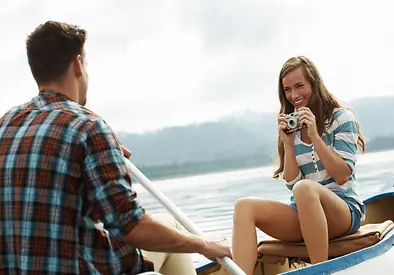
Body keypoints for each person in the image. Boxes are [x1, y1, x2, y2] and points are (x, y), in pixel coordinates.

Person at [0, 20, 231, 274]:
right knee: (173, 229)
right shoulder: (88, 128)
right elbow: (130, 226)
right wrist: (204, 244)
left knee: (164, 225)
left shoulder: (5, 124)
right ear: (78, 64)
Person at [232, 56, 367, 274]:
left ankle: (319, 271)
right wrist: (287, 143)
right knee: (244, 206)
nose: (294, 95)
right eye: (287, 89)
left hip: (343, 212)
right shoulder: (290, 125)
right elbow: (292, 182)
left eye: (299, 86)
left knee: (304, 189)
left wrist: (315, 137)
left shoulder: (341, 118)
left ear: (314, 83)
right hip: (304, 215)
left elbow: (342, 175)